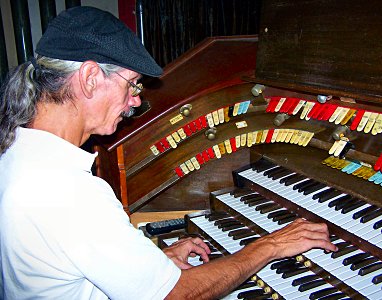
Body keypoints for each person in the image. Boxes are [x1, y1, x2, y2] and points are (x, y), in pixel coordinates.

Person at [0, 6, 337, 300]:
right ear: (89, 78)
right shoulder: (68, 192)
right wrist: (270, 245)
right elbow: (175, 295)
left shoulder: (16, 153)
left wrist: (151, 264)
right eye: (132, 84)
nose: (135, 100)